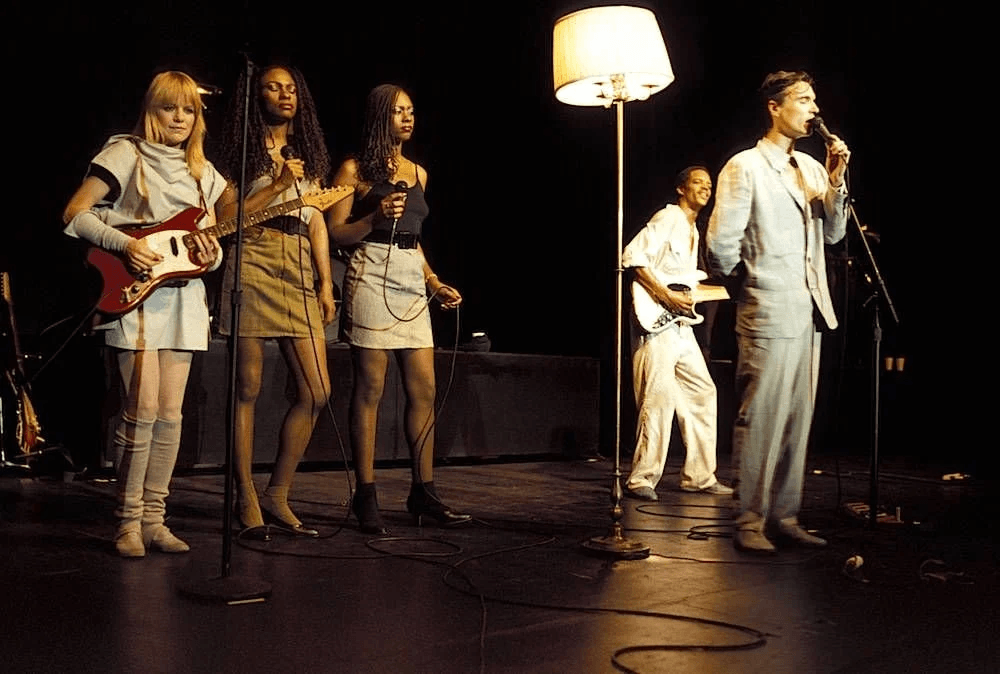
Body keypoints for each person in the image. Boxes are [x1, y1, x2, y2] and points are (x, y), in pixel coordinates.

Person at [63, 71, 227, 557]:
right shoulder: (124, 153)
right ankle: (127, 522)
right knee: (143, 410)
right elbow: (75, 213)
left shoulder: (204, 172)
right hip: (135, 294)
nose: (179, 118)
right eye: (168, 108)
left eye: (188, 110)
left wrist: (209, 252)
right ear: (151, 110)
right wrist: (127, 244)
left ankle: (156, 519)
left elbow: (211, 248)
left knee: (172, 415)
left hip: (183, 298)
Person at [706, 71, 850, 553]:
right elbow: (720, 247)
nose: (813, 109)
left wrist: (834, 179)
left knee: (795, 418)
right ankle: (749, 519)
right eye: (804, 100)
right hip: (767, 305)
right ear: (774, 106)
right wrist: (748, 287)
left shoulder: (810, 167)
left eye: (814, 100)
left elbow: (833, 235)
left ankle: (785, 515)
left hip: (808, 309)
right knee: (761, 415)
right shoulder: (744, 166)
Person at [327, 84, 470, 535]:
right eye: (397, 111)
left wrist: (433, 281)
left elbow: (415, 238)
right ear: (379, 117)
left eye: (411, 110)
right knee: (370, 387)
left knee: (423, 388)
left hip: (410, 273)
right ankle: (365, 494)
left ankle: (422, 492)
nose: (407, 118)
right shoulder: (354, 169)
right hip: (370, 269)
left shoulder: (418, 172)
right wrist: (373, 217)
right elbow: (336, 233)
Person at [215, 65, 336, 537]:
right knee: (247, 388)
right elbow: (225, 219)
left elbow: (317, 221)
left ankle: (278, 492)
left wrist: (326, 283)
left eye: (291, 88)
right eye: (273, 86)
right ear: (255, 95)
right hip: (254, 257)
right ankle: (243, 492)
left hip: (299, 263)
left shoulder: (310, 153)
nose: (284, 94)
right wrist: (276, 184)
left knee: (317, 389)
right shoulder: (236, 154)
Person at [623, 167, 733, 501]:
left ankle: (700, 476)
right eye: (698, 182)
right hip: (656, 317)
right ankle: (641, 478)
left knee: (702, 391)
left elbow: (684, 280)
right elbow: (633, 257)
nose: (706, 188)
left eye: (709, 184)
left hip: (681, 324)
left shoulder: (693, 230)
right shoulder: (668, 217)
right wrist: (665, 295)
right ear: (680, 188)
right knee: (658, 396)